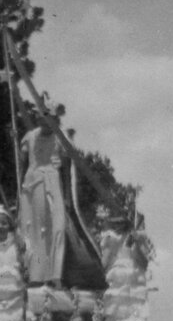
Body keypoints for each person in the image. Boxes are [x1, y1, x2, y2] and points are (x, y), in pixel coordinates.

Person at [17, 102, 106, 291]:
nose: (46, 123)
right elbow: (22, 164)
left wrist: (66, 196)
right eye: (42, 119)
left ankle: (55, 275)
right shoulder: (30, 137)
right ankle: (36, 275)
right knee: (37, 230)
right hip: (33, 184)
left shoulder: (60, 138)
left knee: (57, 229)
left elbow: (67, 169)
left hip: (53, 182)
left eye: (50, 120)